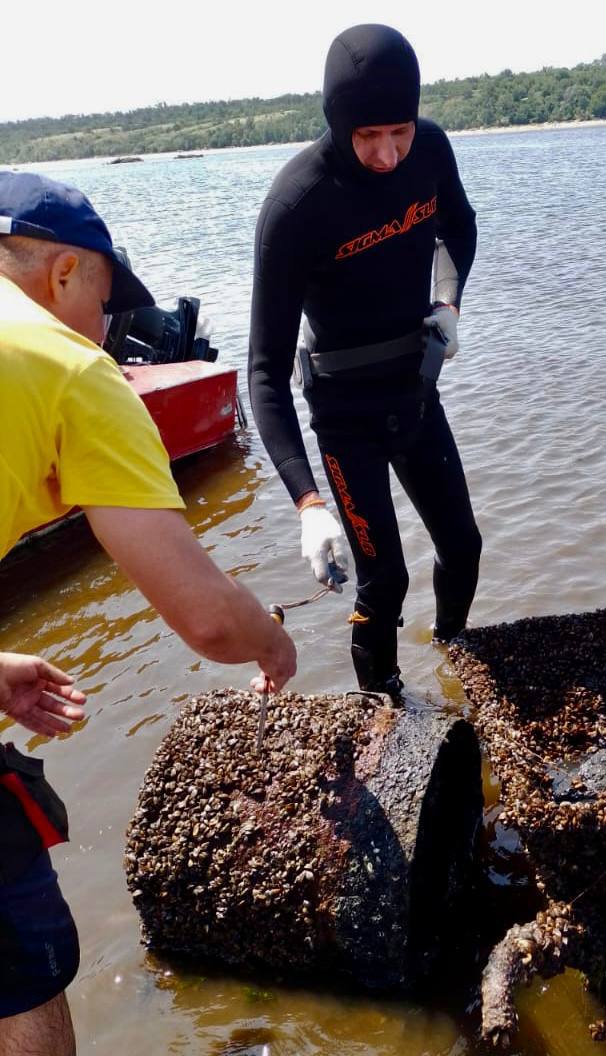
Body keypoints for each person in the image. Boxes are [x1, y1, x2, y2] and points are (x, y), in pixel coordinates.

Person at [0, 170, 297, 1056]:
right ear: (63, 274)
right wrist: (275, 647)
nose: (109, 323)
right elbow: (207, 619)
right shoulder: (68, 368)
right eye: (105, 294)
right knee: (24, 973)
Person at [249, 23, 481, 696]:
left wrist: (447, 303)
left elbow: (459, 226)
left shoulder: (431, 150)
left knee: (463, 546)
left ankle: (454, 657)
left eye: (399, 132)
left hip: (413, 387)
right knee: (386, 580)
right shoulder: (297, 204)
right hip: (345, 414)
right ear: (337, 123)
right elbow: (263, 371)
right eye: (367, 137)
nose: (386, 155)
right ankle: (385, 707)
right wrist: (307, 503)